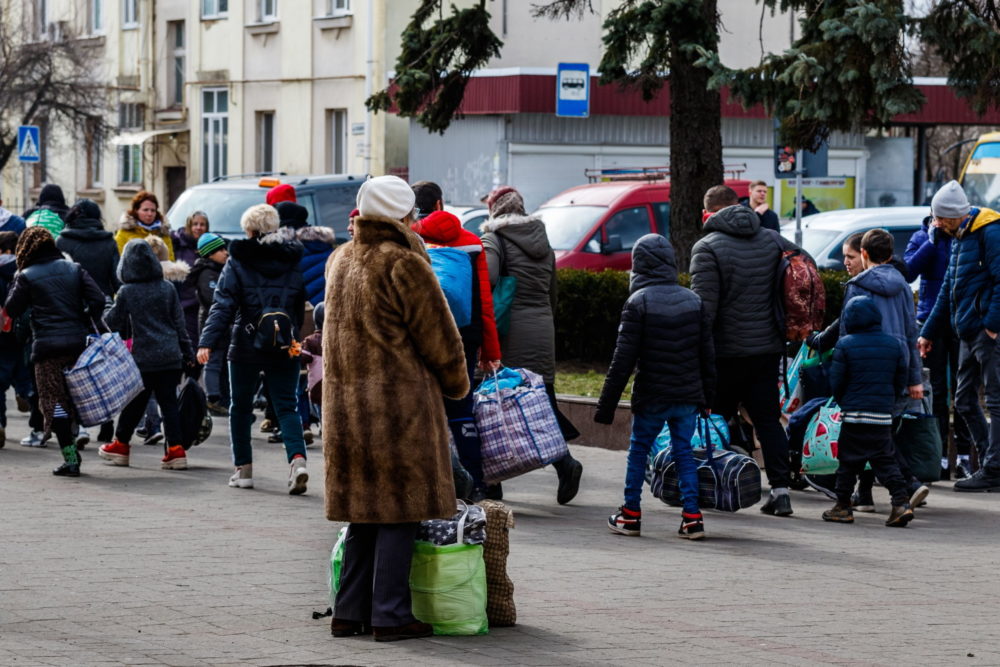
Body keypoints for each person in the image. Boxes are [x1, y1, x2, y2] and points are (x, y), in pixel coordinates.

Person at [324, 175, 469, 641]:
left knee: (364, 511)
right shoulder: (404, 263)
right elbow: (439, 337)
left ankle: (348, 611)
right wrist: (457, 383)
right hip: (398, 406)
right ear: (406, 215)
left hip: (347, 407)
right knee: (401, 509)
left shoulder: (340, 259)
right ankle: (390, 613)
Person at [595, 234, 716, 539]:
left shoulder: (638, 302)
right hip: (687, 395)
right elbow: (707, 356)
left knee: (639, 451)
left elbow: (622, 361)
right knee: (684, 451)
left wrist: (605, 407)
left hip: (651, 394)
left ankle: (630, 514)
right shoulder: (694, 301)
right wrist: (708, 397)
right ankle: (692, 518)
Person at [690, 185, 796, 516]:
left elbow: (703, 311)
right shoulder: (772, 240)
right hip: (766, 350)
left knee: (715, 419)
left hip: (724, 353)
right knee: (767, 419)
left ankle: (716, 486)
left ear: (708, 213)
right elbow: (801, 266)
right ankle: (781, 491)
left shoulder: (706, 248)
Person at [480, 185, 584, 505]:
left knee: (493, 402)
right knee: (541, 399)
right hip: (542, 327)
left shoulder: (494, 239)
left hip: (509, 329)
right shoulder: (544, 242)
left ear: (494, 210)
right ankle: (564, 464)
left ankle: (491, 480)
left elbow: (489, 279)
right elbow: (552, 293)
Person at [198, 204, 309, 495]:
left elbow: (223, 305)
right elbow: (298, 304)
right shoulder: (293, 259)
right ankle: (298, 460)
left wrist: (206, 341)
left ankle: (243, 470)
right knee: (286, 405)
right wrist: (293, 335)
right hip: (285, 341)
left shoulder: (237, 261)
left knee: (241, 407)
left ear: (249, 230)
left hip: (246, 341)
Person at [411, 180, 502, 499]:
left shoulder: (411, 240)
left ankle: (431, 482)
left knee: (423, 408)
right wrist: (489, 349)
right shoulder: (470, 241)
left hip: (425, 336)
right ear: (440, 204)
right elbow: (485, 303)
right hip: (466, 335)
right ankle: (477, 481)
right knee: (462, 407)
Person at [1, 227, 107, 476]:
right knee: (74, 396)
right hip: (78, 345)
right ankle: (75, 432)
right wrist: (80, 317)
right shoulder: (74, 268)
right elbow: (98, 300)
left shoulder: (26, 275)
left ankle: (71, 458)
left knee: (54, 403)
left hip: (47, 349)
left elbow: (12, 308)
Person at [919, 180, 1000, 492]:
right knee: (964, 400)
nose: (936, 224)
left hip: (986, 332)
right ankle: (992, 463)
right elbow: (947, 290)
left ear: (954, 216)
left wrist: (992, 325)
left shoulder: (989, 232)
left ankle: (993, 468)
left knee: (994, 399)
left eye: (940, 218)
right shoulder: (957, 237)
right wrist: (928, 332)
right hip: (967, 331)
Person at [841, 228, 929, 508]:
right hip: (897, 368)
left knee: (871, 434)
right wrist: (915, 379)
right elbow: (911, 331)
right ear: (891, 256)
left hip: (865, 371)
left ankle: (904, 484)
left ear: (864, 254)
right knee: (882, 430)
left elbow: (847, 333)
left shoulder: (857, 285)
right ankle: (864, 494)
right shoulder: (903, 285)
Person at [97, 240, 195, 470]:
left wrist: (105, 308)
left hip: (142, 359)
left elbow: (112, 322)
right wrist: (188, 353)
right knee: (169, 404)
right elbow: (180, 325)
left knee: (134, 403)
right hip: (171, 357)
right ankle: (176, 451)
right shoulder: (167, 288)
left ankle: (121, 444)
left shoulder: (127, 291)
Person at [822, 296, 916, 527]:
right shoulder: (893, 345)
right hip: (881, 416)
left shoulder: (845, 344)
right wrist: (887, 403)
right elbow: (899, 379)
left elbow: (837, 381)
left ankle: (843, 506)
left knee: (848, 462)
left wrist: (846, 403)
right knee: (885, 460)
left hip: (854, 415)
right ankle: (901, 502)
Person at [905, 210, 973, 480]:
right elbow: (909, 271)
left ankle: (965, 457)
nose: (943, 223)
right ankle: (941, 457)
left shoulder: (966, 237)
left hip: (962, 320)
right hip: (931, 322)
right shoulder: (922, 237)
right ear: (932, 216)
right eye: (939, 217)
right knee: (937, 394)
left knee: (963, 390)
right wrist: (929, 244)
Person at [57, 199, 120, 445]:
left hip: (72, 312)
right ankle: (107, 422)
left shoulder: (62, 242)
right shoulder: (108, 241)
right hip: (102, 311)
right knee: (101, 367)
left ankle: (79, 427)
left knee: (75, 370)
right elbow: (117, 281)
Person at [187, 232, 230, 415]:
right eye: (220, 250)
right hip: (212, 325)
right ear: (209, 253)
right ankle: (213, 398)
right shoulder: (207, 274)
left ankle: (223, 398)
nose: (225, 253)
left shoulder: (220, 270)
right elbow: (213, 300)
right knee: (212, 362)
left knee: (222, 363)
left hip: (223, 325)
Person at [172, 211, 210, 345]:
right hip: (185, 303)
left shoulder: (210, 246)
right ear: (189, 225)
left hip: (203, 304)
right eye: (195, 224)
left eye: (202, 224)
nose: (198, 227)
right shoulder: (178, 243)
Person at [0, 232, 20, 445]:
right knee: (21, 368)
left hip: (1, 330)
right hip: (20, 329)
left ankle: (0, 422)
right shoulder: (23, 269)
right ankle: (25, 391)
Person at [115, 191, 174, 260]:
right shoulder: (124, 233)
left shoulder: (163, 233)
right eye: (145, 210)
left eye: (153, 210)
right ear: (136, 210)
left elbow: (170, 261)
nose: (150, 214)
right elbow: (118, 260)